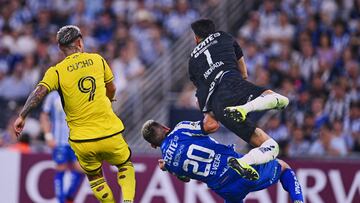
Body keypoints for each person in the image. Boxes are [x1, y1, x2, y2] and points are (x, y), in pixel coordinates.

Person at [13, 25, 135, 203]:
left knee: (95, 177)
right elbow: (112, 87)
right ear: (79, 42)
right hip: (109, 131)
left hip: (82, 140)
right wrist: (109, 100)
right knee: (125, 165)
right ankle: (128, 200)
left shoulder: (56, 71)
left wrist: (22, 116)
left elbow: (38, 93)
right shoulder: (97, 60)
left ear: (61, 48)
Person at [188, 19, 289, 179]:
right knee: (281, 100)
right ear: (212, 31)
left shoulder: (192, 61)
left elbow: (210, 122)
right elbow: (244, 73)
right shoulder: (223, 36)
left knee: (266, 143)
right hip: (231, 81)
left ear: (196, 38)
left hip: (216, 106)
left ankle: (244, 162)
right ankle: (244, 109)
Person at [141, 120, 304, 203]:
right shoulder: (181, 128)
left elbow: (185, 178)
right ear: (165, 127)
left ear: (153, 145)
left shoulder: (168, 162)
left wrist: (167, 168)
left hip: (223, 188)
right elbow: (211, 125)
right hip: (234, 169)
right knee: (283, 167)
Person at [40, 91, 83, 203]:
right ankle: (61, 201)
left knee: (83, 169)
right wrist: (48, 136)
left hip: (76, 141)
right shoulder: (53, 96)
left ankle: (69, 196)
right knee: (61, 169)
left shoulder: (78, 92)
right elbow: (44, 115)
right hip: (59, 141)